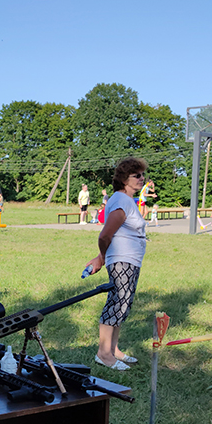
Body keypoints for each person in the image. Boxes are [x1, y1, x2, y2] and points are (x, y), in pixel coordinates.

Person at [83, 158, 148, 371]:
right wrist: (102, 257)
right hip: (122, 261)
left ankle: (113, 349)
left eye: (142, 175)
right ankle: (103, 354)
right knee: (117, 303)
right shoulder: (121, 201)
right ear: (124, 179)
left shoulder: (127, 200)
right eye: (136, 175)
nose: (141, 178)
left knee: (124, 304)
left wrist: (102, 257)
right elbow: (105, 235)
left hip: (129, 260)